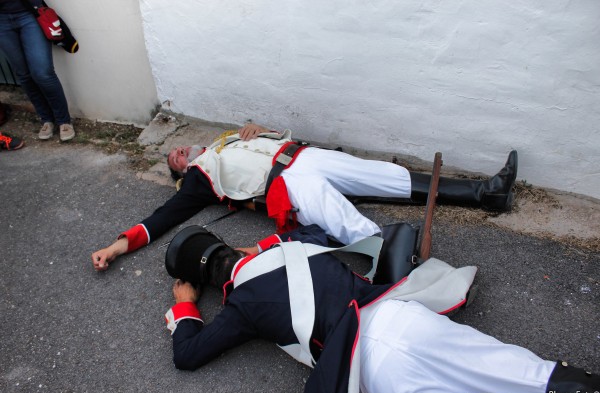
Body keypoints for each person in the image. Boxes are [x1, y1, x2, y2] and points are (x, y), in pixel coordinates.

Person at [163, 224, 599, 393]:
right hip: (400, 315)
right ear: (229, 245)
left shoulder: (240, 304)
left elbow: (189, 354)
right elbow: (315, 229)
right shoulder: (295, 246)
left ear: (213, 287)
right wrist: (267, 245)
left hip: (368, 367)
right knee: (528, 375)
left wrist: (185, 304)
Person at [91, 123, 518, 271]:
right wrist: (117, 246)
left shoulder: (225, 141)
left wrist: (259, 130)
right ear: (181, 172)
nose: (179, 152)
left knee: (386, 175)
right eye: (175, 159)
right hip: (286, 186)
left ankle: (486, 193)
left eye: (179, 148)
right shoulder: (200, 180)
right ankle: (398, 264)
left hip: (303, 156)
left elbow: (271, 137)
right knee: (340, 217)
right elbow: (161, 218)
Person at [0, 0, 75, 141]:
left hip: (29, 14)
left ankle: (63, 120)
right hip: (2, 21)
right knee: (24, 75)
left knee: (43, 73)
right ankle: (46, 119)